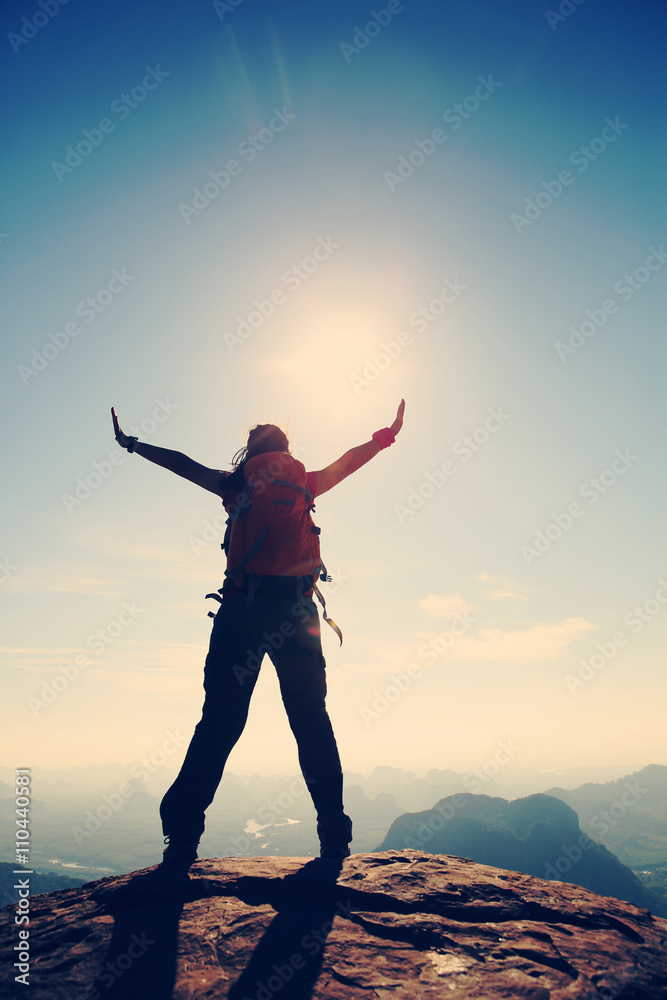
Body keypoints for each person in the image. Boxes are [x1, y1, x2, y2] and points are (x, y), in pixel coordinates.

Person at [111, 400, 405, 869]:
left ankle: (182, 838)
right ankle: (334, 835)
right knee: (311, 723)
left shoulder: (237, 483)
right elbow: (348, 463)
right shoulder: (306, 483)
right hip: (298, 616)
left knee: (219, 724)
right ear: (287, 451)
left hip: (242, 614)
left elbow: (182, 464)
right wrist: (385, 437)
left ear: (249, 453)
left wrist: (134, 444)